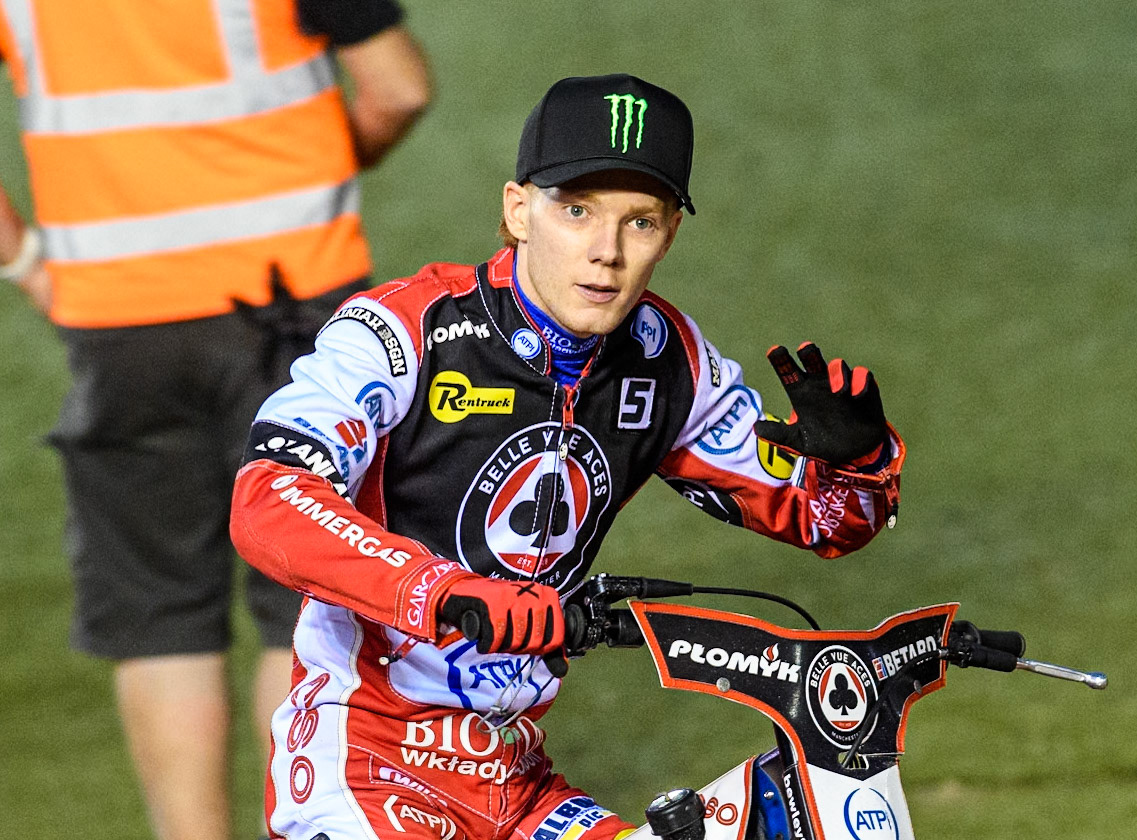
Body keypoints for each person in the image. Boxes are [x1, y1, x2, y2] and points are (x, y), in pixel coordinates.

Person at [230, 73, 905, 840]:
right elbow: (269, 498)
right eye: (576, 210)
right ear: (518, 210)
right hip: (366, 759)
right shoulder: (401, 332)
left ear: (669, 235)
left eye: (639, 222)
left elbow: (828, 523)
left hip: (516, 783)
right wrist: (444, 593)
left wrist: (857, 460)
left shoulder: (670, 362)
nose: (606, 252)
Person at [0, 3, 432, 839]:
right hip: (297, 307)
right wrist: (316, 167)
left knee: (160, 620)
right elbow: (397, 87)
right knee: (308, 603)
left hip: (120, 320)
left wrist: (23, 262)